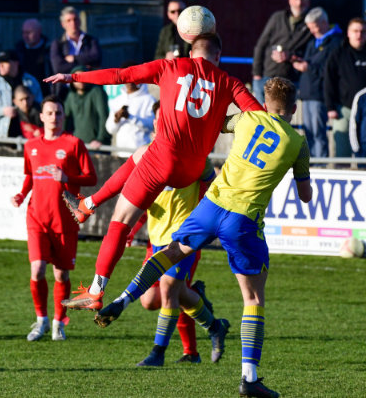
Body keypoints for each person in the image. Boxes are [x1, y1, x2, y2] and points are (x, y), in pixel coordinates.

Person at [94, 77, 312, 398]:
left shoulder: (247, 118)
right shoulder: (298, 143)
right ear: (293, 109)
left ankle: (123, 299)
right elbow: (305, 195)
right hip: (243, 219)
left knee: (171, 252)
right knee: (252, 298)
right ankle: (249, 378)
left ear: (265, 104)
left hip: (211, 207)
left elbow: (214, 124)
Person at [43, 33, 263, 311]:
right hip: (192, 170)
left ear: (190, 52)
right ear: (218, 56)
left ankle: (96, 290)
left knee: (120, 222)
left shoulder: (171, 67)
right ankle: (87, 204)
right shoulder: (229, 82)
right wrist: (226, 121)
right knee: (140, 153)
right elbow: (259, 117)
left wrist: (73, 77)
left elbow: (121, 75)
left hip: (163, 160)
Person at [134, 100, 218, 366]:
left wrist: (207, 224)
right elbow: (137, 195)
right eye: (161, 117)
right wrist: (132, 227)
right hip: (156, 237)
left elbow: (213, 190)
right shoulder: (144, 155)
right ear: (155, 122)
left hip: (184, 237)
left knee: (170, 289)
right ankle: (211, 320)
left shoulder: (194, 152)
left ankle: (160, 353)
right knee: (150, 300)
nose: (166, 122)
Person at [11, 95, 97, 341]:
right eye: (49, 113)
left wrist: (67, 178)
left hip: (65, 219)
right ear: (41, 116)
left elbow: (91, 177)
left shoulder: (73, 144)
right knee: (37, 269)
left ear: (63, 116)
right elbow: (31, 176)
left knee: (61, 275)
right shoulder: (31, 146)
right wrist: (21, 194)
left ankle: (59, 322)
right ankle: (41, 321)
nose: (54, 117)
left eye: (58, 113)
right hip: (37, 217)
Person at [324, 18, 366, 158]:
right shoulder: (338, 54)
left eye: (363, 32)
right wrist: (330, 107)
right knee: (342, 151)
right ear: (348, 33)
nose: (359, 35)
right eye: (355, 31)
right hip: (343, 109)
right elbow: (329, 81)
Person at [292, 7, 343, 158]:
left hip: (319, 93)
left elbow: (331, 70)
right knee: (308, 133)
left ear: (323, 23)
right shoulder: (313, 41)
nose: (311, 31)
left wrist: (309, 67)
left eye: (314, 27)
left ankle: (320, 164)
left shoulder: (336, 42)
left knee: (318, 133)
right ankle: (311, 163)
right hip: (307, 93)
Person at [251, 0, 312, 104]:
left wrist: (290, 56)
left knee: (284, 114)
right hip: (268, 76)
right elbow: (261, 45)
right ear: (290, 0)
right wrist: (257, 75)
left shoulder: (312, 24)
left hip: (293, 80)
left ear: (308, 1)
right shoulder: (277, 17)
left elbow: (313, 53)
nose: (299, 3)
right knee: (263, 114)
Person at [0, 49, 43, 138]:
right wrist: (2, 111)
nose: (0, 65)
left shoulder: (30, 81)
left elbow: (40, 106)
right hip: (2, 135)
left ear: (16, 63)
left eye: (4, 62)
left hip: (30, 135)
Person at [105, 62, 157, 158]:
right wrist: (116, 120)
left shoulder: (149, 100)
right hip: (121, 154)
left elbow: (151, 126)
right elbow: (110, 129)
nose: (129, 82)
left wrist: (130, 117)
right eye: (126, 78)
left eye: (133, 77)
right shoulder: (118, 100)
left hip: (141, 154)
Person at [50, 6, 102, 99]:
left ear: (80, 21)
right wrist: (84, 67)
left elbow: (96, 58)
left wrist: (74, 58)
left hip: (90, 87)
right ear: (63, 24)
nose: (73, 23)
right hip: (66, 90)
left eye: (75, 19)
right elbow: (58, 67)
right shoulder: (58, 43)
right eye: (69, 20)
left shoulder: (91, 40)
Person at [64, 65, 111, 149]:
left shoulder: (96, 91)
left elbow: (104, 116)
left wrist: (100, 139)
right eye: (77, 78)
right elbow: (64, 118)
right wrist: (63, 137)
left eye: (83, 77)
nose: (80, 80)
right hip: (78, 144)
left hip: (97, 146)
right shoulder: (71, 96)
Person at [15, 18, 51, 85]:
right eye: (23, 32)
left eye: (29, 32)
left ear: (39, 31)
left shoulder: (50, 49)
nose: (25, 36)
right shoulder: (19, 49)